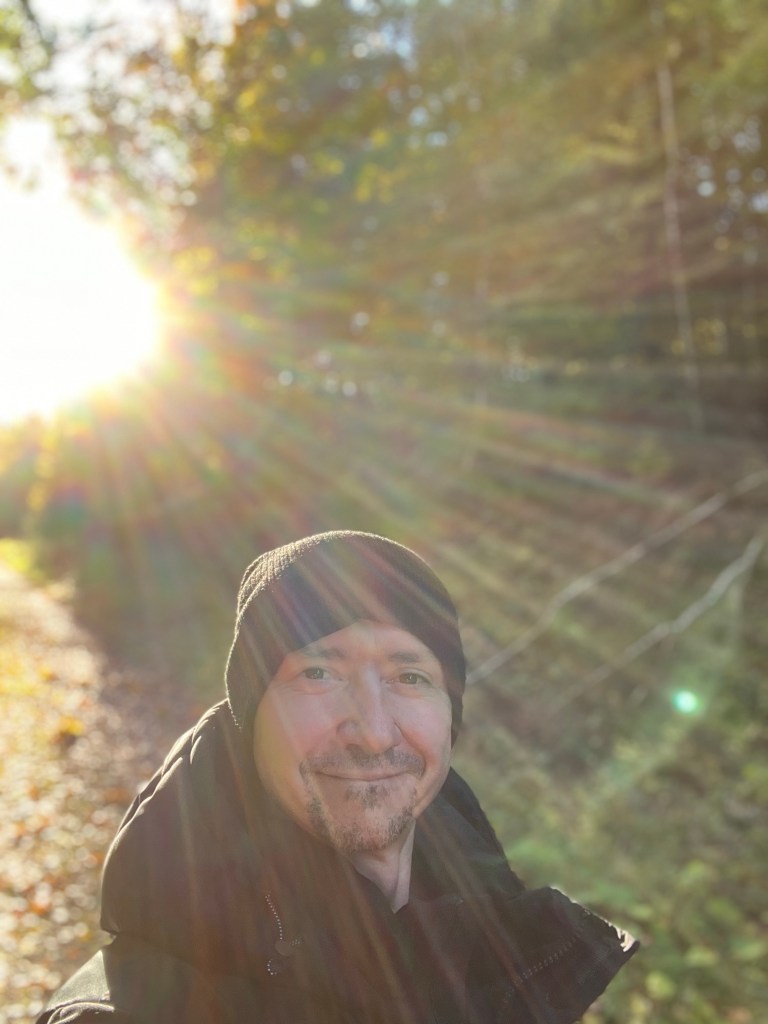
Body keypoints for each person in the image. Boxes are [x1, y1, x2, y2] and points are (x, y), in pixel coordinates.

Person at [40, 530, 638, 1024]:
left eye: (410, 677)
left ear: (450, 718)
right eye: (318, 674)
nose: (373, 732)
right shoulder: (128, 1011)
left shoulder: (506, 956)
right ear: (250, 718)